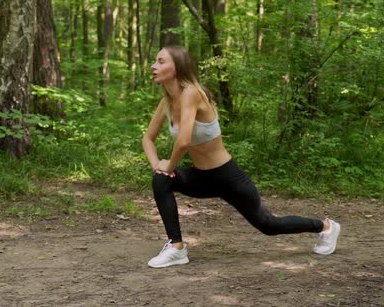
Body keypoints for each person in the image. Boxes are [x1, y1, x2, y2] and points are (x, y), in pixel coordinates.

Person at [142, 46, 340, 268]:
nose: (153, 66)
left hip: (227, 176)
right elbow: (147, 139)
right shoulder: (166, 102)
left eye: (160, 61)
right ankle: (176, 247)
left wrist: (169, 164)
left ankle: (325, 227)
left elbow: (184, 140)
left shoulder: (192, 93)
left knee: (268, 224)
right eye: (155, 61)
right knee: (161, 179)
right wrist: (157, 166)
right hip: (201, 177)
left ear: (177, 66)